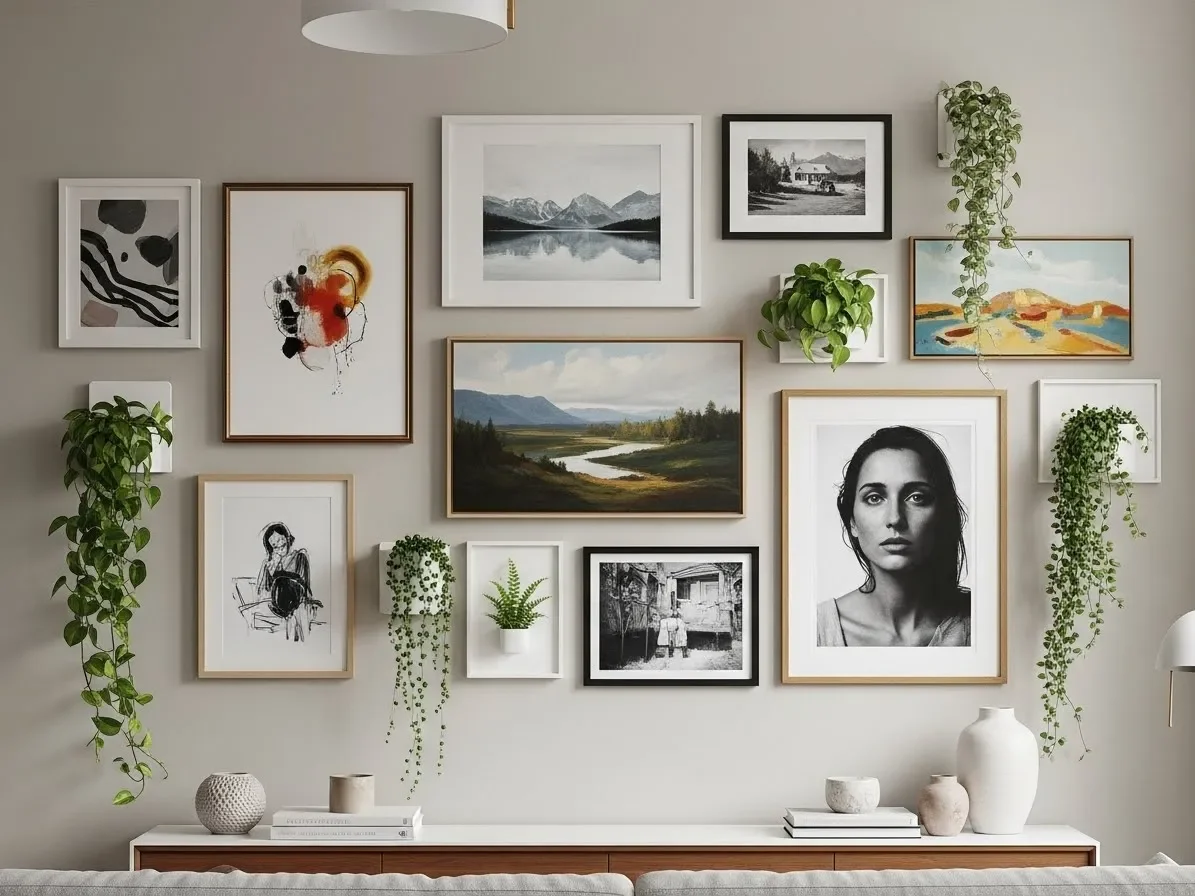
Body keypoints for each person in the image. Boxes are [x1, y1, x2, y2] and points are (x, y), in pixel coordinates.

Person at [816, 426, 971, 647]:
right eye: (874, 498)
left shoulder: (984, 623)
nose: (895, 518)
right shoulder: (815, 631)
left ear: (942, 515)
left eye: (917, 497)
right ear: (852, 522)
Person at [256, 522, 318, 643]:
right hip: (277, 605)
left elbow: (302, 583)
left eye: (280, 540)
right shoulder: (268, 563)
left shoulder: (300, 556)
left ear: (287, 538)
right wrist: (270, 570)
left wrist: (279, 573)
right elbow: (262, 590)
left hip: (299, 602)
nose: (279, 546)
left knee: (299, 613)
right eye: (274, 545)